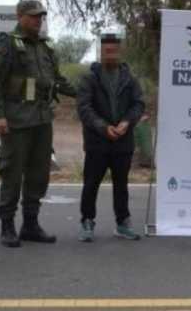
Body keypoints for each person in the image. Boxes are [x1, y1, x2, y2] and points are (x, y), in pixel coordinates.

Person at [0, 0, 76, 248]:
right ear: (20, 16)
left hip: (42, 119)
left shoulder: (46, 48)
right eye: (34, 16)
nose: (38, 20)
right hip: (16, 119)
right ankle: (7, 226)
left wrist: (84, 93)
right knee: (12, 173)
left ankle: (31, 224)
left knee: (39, 174)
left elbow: (57, 80)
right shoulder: (8, 46)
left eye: (41, 16)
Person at [75, 32, 145, 241]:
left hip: (123, 142)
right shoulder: (89, 79)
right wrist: (103, 127)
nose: (111, 55)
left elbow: (138, 104)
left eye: (114, 51)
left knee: (121, 185)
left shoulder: (131, 79)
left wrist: (126, 122)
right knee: (91, 184)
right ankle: (87, 221)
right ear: (100, 52)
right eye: (107, 51)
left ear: (120, 52)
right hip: (97, 142)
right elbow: (84, 108)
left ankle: (122, 223)